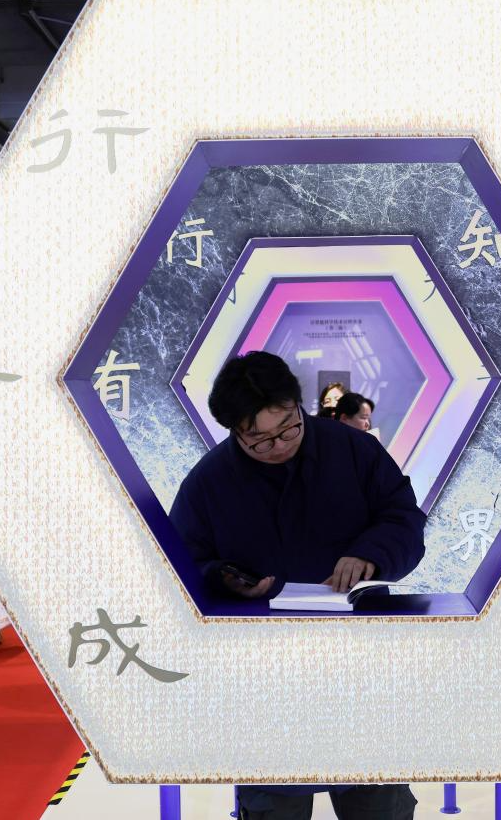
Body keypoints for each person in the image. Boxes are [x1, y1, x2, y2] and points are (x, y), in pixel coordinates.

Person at [169, 351, 424, 820]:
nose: (279, 444)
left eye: (289, 427)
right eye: (260, 440)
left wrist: (371, 554)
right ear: (234, 431)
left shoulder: (355, 451)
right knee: (274, 804)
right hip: (266, 676)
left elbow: (404, 519)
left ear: (299, 405)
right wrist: (223, 579)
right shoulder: (208, 482)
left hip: (361, 663)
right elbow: (182, 562)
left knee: (377, 799)